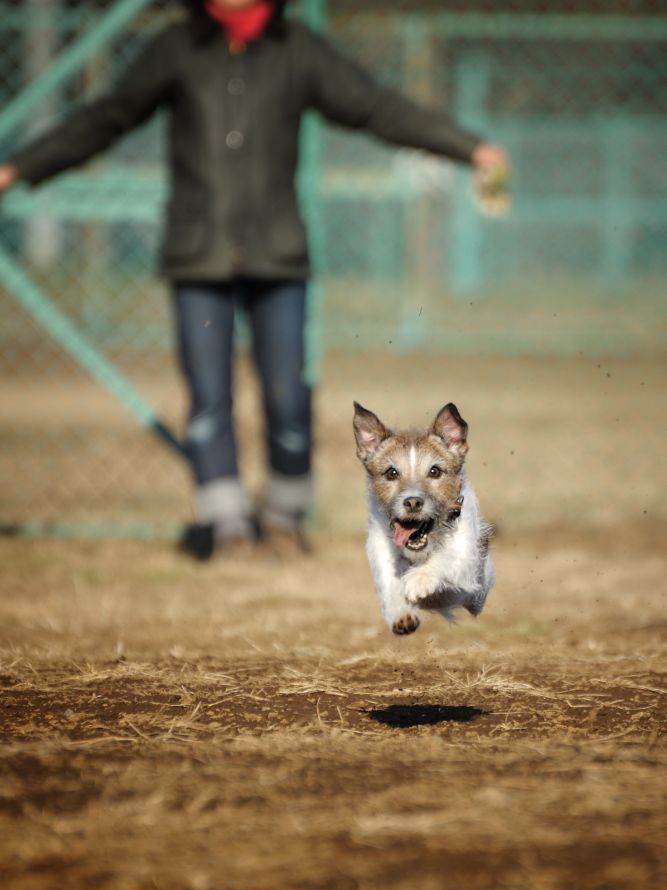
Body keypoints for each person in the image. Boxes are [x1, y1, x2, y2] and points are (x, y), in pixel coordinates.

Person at [0, 0, 508, 559]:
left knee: (289, 399)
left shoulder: (295, 48)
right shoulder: (177, 47)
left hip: (277, 255)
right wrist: (19, 167)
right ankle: (228, 528)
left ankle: (284, 519)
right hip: (199, 255)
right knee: (209, 401)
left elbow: (376, 107)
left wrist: (469, 148)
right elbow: (104, 117)